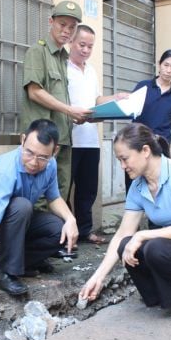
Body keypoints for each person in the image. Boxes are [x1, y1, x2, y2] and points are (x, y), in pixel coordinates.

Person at [80, 123, 171, 323]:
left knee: (153, 246)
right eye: (119, 161)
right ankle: (162, 295)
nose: (123, 166)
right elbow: (123, 234)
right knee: (126, 245)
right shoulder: (138, 187)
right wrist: (98, 277)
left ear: (145, 151)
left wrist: (141, 235)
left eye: (125, 159)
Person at [0, 119, 79, 308]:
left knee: (58, 229)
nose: (33, 162)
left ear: (54, 152)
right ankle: (3, 272)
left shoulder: (50, 165)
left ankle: (22, 263)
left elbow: (54, 198)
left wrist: (70, 219)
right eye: (29, 153)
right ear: (22, 140)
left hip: (19, 218)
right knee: (22, 206)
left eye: (42, 157)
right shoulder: (5, 169)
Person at [20, 1, 93, 205]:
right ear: (51, 22)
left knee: (59, 193)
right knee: (39, 196)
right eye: (62, 24)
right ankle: (38, 235)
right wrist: (70, 110)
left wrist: (74, 116)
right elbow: (34, 92)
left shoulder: (63, 58)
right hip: (41, 140)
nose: (66, 30)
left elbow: (60, 96)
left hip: (62, 137)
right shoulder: (38, 51)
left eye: (71, 27)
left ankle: (56, 235)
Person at [67, 24, 130, 245]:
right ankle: (66, 234)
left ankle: (84, 231)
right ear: (71, 42)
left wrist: (116, 98)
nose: (85, 50)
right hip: (69, 140)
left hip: (90, 140)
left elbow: (96, 101)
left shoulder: (91, 71)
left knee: (87, 189)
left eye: (90, 46)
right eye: (82, 44)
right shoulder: (62, 68)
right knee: (64, 189)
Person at [125, 49, 171, 194]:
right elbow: (129, 110)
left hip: (160, 147)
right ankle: (133, 213)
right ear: (159, 64)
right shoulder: (143, 87)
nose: (168, 70)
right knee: (133, 185)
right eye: (166, 65)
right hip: (137, 144)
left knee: (157, 186)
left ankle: (155, 216)